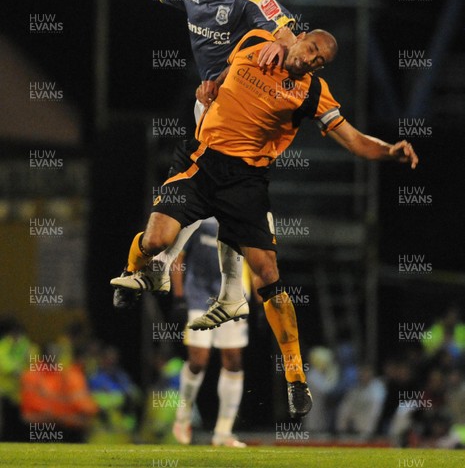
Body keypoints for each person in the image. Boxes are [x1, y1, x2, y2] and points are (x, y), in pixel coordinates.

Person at [110, 27, 418, 418]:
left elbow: (355, 140)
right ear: (300, 37)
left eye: (319, 61)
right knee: (156, 240)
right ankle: (131, 270)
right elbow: (227, 67)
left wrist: (391, 151)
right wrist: (209, 88)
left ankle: (295, 378)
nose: (311, 60)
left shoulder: (310, 92)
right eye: (311, 50)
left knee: (268, 274)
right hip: (200, 162)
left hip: (246, 182)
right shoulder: (256, 39)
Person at [60, 0, 295, 310]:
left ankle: (176, 271)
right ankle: (173, 271)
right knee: (200, 196)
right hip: (211, 109)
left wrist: (281, 44)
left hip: (245, 117)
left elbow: (288, 32)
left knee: (212, 196)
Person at [170, 217, 248, 447]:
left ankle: (223, 432)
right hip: (199, 294)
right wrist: (178, 297)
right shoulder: (198, 216)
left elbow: (254, 258)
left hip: (231, 295)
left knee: (233, 359)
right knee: (199, 358)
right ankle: (183, 417)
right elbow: (178, 256)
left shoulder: (243, 214)